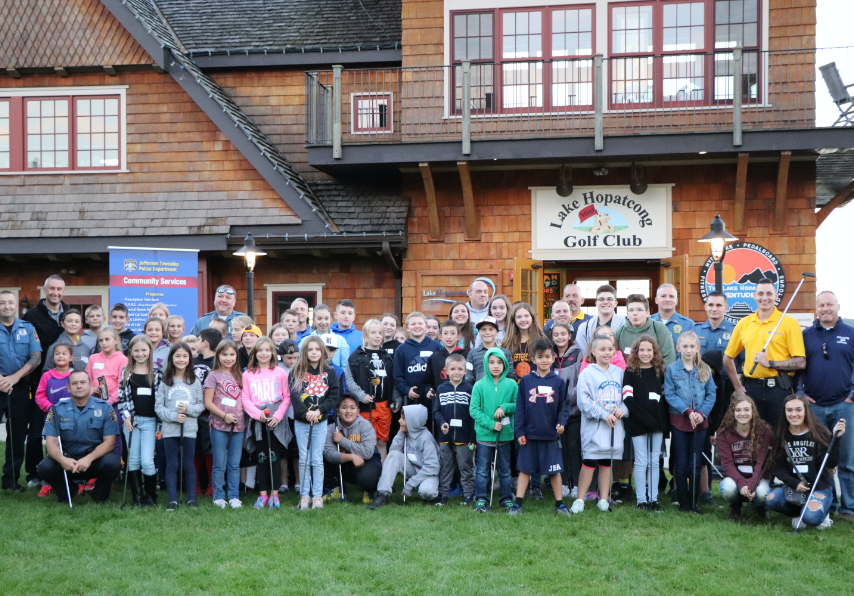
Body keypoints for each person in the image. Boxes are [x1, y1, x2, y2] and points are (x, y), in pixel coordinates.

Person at [796, 290, 854, 521]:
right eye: (821, 305)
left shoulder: (851, 334)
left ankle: (848, 508)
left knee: (847, 460)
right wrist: (800, 393)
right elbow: (798, 367)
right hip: (815, 408)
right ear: (816, 308)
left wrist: (852, 396)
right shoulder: (806, 335)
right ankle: (826, 505)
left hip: (845, 406)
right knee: (820, 460)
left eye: (830, 304)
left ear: (838, 307)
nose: (825, 309)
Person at [724, 278, 806, 427]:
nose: (764, 297)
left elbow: (800, 362)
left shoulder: (789, 323)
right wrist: (737, 386)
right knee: (754, 436)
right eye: (760, 293)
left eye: (769, 293)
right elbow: (728, 358)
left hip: (779, 389)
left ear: (776, 296)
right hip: (752, 389)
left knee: (778, 436)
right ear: (754, 295)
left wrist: (770, 364)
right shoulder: (744, 324)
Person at [36, 370, 121, 503]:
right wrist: (63, 460)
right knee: (44, 467)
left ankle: (100, 494)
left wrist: (89, 458)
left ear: (90, 385)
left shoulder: (105, 409)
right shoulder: (56, 410)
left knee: (114, 463)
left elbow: (109, 442)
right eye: (74, 383)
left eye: (83, 382)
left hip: (93, 461)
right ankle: (68, 491)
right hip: (67, 460)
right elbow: (51, 443)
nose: (79, 386)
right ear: (68, 388)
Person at [509, 339, 570, 516]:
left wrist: (561, 424)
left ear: (553, 359)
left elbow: (563, 408)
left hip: (550, 435)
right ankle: (518, 504)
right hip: (529, 434)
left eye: (547, 357)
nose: (544, 360)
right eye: (540, 357)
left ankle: (560, 504)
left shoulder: (559, 382)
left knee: (554, 471)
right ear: (533, 360)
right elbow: (520, 408)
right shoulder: (526, 381)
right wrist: (519, 431)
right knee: (525, 469)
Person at [767, 394, 846, 529]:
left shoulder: (819, 432)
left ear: (805, 411)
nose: (794, 414)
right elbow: (776, 466)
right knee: (771, 499)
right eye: (789, 410)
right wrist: (794, 483)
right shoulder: (781, 435)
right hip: (795, 488)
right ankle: (800, 512)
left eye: (798, 410)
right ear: (784, 412)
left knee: (811, 518)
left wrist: (836, 439)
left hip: (818, 487)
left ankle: (816, 514)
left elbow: (831, 463)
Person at [573, 332, 626, 513]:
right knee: (589, 461)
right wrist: (603, 415)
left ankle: (603, 499)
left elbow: (627, 398)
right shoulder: (587, 373)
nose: (607, 352)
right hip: (594, 428)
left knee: (607, 462)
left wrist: (623, 410)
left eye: (610, 349)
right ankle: (580, 499)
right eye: (602, 349)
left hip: (614, 428)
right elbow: (584, 401)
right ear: (593, 351)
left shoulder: (619, 372)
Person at [22, 276, 66, 489]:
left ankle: (63, 468)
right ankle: (34, 472)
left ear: (63, 292)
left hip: (67, 382)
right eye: (52, 289)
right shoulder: (32, 316)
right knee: (37, 428)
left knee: (66, 428)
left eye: (59, 289)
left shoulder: (69, 314)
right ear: (45, 290)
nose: (55, 292)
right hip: (40, 382)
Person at [665, 331, 716, 514]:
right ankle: (682, 501)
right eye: (684, 346)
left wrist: (701, 413)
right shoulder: (671, 369)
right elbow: (669, 394)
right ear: (678, 348)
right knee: (681, 462)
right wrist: (687, 412)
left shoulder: (704, 369)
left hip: (700, 422)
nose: (688, 350)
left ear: (697, 348)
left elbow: (711, 394)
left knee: (695, 462)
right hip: (680, 420)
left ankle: (694, 502)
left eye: (691, 347)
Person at [241, 336, 291, 510]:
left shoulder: (280, 372)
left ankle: (275, 495)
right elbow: (245, 398)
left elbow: (286, 397)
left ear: (272, 353)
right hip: (258, 420)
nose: (263, 354)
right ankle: (263, 495)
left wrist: (278, 415)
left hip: (276, 420)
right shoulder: (248, 374)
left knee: (274, 458)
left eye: (267, 350)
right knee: (261, 458)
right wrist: (257, 414)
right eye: (259, 350)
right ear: (254, 353)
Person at [291, 335, 340, 510]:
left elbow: (333, 395)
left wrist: (319, 411)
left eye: (317, 349)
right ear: (305, 351)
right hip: (302, 421)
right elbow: (295, 396)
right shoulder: (296, 371)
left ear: (322, 352)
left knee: (317, 458)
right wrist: (306, 413)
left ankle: (317, 496)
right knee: (304, 458)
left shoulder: (330, 372)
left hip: (320, 421)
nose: (313, 352)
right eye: (310, 349)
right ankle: (305, 495)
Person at [155, 342, 204, 510]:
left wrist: (188, 409)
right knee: (172, 464)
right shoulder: (165, 381)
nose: (181, 359)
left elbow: (200, 406)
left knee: (188, 464)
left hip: (189, 429)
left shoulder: (194, 381)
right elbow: (158, 407)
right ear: (171, 358)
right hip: (170, 429)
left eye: (185, 356)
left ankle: (191, 499)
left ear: (189, 358)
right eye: (177, 356)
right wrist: (174, 416)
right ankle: (173, 500)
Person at [623, 335, 668, 511]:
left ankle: (654, 499)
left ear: (654, 352)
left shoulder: (659, 372)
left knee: (655, 462)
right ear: (636, 352)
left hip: (657, 423)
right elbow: (627, 398)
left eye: (649, 350)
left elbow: (663, 398)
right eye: (642, 350)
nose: (645, 353)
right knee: (641, 462)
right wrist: (645, 418)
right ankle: (641, 500)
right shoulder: (630, 372)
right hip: (638, 422)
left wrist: (660, 422)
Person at [470, 347, 517, 512]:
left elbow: (518, 404)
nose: (495, 366)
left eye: (499, 362)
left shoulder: (511, 384)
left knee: (505, 470)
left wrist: (505, 407)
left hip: (504, 435)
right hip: (484, 435)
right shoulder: (479, 385)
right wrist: (491, 424)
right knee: (482, 470)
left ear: (504, 364)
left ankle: (506, 498)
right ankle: (481, 499)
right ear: (486, 364)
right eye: (491, 362)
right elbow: (474, 410)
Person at [367, 404, 440, 509]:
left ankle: (431, 495)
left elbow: (432, 467)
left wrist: (410, 484)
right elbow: (392, 455)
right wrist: (400, 433)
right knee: (394, 455)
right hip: (412, 469)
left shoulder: (426, 438)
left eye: (403, 419)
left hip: (428, 474)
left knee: (427, 492)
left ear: (414, 421)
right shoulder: (405, 432)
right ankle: (383, 494)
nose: (399, 421)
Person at [346, 319, 400, 462]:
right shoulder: (356, 355)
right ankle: (366, 475)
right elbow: (349, 380)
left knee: (382, 441)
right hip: (365, 406)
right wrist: (361, 395)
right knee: (365, 441)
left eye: (380, 333)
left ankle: (383, 477)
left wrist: (396, 399)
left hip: (384, 406)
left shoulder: (388, 357)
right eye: (373, 332)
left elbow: (394, 381)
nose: (377, 336)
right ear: (365, 334)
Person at [117, 335, 161, 506]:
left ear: (150, 351)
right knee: (133, 459)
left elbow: (161, 401)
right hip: (132, 422)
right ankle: (137, 497)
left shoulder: (156, 373)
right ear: (131, 352)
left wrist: (160, 424)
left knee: (147, 461)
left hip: (150, 422)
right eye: (136, 350)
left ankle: (150, 497)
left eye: (144, 350)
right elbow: (122, 398)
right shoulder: (126, 372)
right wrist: (126, 416)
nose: (140, 353)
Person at [204, 339, 245, 509]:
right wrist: (224, 415)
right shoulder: (213, 376)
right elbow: (208, 402)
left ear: (237, 356)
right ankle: (219, 495)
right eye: (224, 354)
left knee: (234, 464)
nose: (228, 358)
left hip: (239, 426)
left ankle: (234, 496)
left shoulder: (241, 375)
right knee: (219, 462)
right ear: (218, 356)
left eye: (232, 354)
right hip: (219, 426)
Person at [717, 396, 773, 520]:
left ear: (753, 411)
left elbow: (762, 462)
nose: (742, 413)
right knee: (727, 488)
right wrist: (741, 482)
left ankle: (760, 507)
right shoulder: (724, 433)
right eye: (738, 410)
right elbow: (727, 463)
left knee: (763, 493)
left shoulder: (765, 430)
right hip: (736, 476)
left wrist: (752, 483)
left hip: (759, 476)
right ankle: (735, 507)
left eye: (746, 410)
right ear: (733, 412)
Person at [432, 353, 475, 506]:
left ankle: (469, 495)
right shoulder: (441, 389)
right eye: (453, 369)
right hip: (445, 437)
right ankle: (443, 495)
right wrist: (442, 423)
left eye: (459, 369)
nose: (456, 372)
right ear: (446, 370)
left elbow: (473, 415)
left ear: (465, 371)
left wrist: (472, 438)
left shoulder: (470, 389)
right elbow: (436, 411)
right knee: (445, 467)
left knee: (466, 467)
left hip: (464, 437)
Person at [323, 395, 382, 499]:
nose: (348, 411)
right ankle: (336, 489)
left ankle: (369, 490)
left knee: (368, 478)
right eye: (344, 407)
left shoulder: (366, 425)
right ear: (337, 412)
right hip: (345, 464)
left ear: (358, 412)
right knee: (318, 459)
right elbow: (329, 454)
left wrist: (342, 441)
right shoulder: (330, 428)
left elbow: (367, 453)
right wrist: (352, 457)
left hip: (366, 462)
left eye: (352, 408)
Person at [33, 343, 73, 498]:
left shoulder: (75, 375)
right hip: (52, 418)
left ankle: (74, 480)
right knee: (52, 450)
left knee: (71, 447)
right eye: (57, 353)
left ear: (71, 357)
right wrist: (51, 408)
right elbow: (40, 395)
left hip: (71, 419)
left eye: (64, 353)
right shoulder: (47, 375)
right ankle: (48, 483)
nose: (60, 356)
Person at [85, 327, 129, 457]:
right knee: (94, 434)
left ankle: (116, 465)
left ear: (116, 340)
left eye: (107, 339)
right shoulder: (93, 358)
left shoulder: (123, 359)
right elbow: (88, 379)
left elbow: (122, 385)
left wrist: (109, 401)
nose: (104, 343)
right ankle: (95, 465)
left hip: (114, 405)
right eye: (101, 340)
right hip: (94, 402)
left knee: (114, 436)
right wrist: (93, 390)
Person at [551, 322, 582, 498]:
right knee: (559, 448)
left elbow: (580, 382)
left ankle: (576, 484)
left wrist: (565, 400)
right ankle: (563, 483)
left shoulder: (578, 354)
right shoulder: (551, 355)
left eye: (563, 334)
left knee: (573, 448)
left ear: (569, 335)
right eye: (556, 335)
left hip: (573, 411)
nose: (560, 338)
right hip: (556, 413)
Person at [393, 312, 441, 409]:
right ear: (407, 328)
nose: (417, 326)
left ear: (426, 327)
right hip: (411, 402)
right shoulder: (401, 349)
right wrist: (406, 390)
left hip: (434, 401)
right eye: (413, 324)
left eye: (420, 323)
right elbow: (397, 377)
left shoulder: (436, 346)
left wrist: (435, 390)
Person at [192, 328, 220, 498]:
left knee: (210, 449)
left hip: (210, 414)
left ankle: (211, 483)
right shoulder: (193, 361)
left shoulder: (217, 363)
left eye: (197, 340)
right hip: (193, 413)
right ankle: (196, 483)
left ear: (205, 343)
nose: (195, 343)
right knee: (195, 449)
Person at [424, 321, 469, 425]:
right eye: (445, 333)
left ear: (459, 336)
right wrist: (429, 390)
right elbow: (428, 382)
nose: (449, 337)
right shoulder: (434, 358)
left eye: (453, 333)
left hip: (462, 404)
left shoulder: (466, 355)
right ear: (440, 336)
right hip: (441, 405)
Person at [615, 294, 676, 366]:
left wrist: (659, 375)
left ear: (647, 313)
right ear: (627, 315)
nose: (635, 313)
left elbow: (669, 357)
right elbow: (614, 358)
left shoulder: (659, 328)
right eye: (631, 310)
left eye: (639, 310)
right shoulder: (620, 332)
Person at [575, 284, 626, 356]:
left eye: (609, 299)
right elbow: (582, 354)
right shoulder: (584, 328)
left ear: (615, 303)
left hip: (620, 365)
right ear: (596, 303)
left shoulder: (626, 323)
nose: (605, 302)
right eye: (601, 299)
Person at [504, 302, 548, 382]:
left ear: (532, 318)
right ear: (514, 319)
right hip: (514, 387)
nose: (523, 320)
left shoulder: (542, 341)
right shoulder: (508, 342)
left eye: (526, 316)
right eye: (519, 317)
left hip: (534, 385)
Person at [466, 316, 515, 385]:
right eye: (483, 329)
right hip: (480, 393)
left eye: (491, 329)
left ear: (497, 332)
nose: (487, 332)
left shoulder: (505, 353)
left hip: (501, 393)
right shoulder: (472, 354)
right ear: (479, 332)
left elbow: (511, 376)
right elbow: (469, 378)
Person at [299, 304, 350, 368]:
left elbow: (345, 366)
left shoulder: (341, 341)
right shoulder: (305, 341)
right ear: (314, 320)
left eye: (326, 318)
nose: (323, 322)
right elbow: (300, 362)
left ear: (330, 319)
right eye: (319, 318)